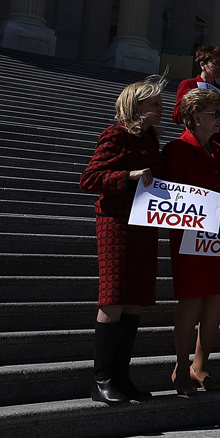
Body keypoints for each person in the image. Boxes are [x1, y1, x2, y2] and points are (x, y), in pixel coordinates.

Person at [80, 76, 165, 405]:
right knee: (114, 299)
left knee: (132, 302)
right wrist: (127, 176)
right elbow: (90, 178)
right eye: (154, 104)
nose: (161, 109)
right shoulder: (115, 134)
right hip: (116, 223)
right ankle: (101, 380)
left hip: (143, 225)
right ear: (136, 107)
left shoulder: (151, 140)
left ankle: (122, 376)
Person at [162, 88, 220, 394]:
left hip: (217, 235)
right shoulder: (177, 150)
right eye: (216, 113)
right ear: (195, 116)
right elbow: (173, 195)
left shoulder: (219, 150)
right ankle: (182, 365)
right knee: (192, 302)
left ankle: (200, 364)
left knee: (217, 299)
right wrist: (212, 202)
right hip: (190, 237)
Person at [172, 45, 220, 139]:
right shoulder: (189, 84)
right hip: (195, 139)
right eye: (216, 63)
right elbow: (177, 117)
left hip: (218, 143)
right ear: (202, 65)